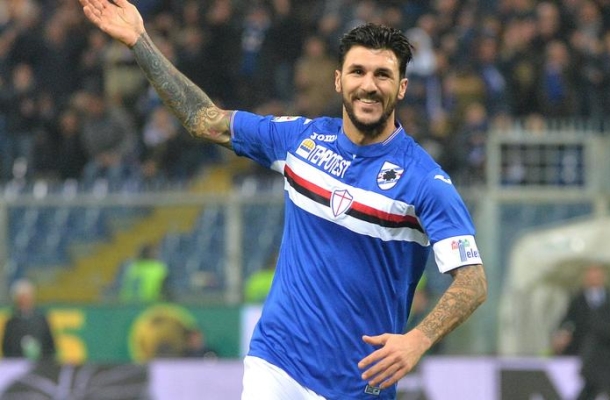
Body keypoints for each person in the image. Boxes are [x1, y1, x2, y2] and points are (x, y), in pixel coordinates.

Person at [79, 1, 488, 398]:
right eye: (357, 71)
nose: (368, 85)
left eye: (383, 75)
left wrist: (417, 339)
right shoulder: (301, 140)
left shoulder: (424, 180)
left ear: (401, 88)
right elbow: (204, 120)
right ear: (338, 80)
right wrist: (139, 41)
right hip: (277, 361)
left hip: (358, 382)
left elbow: (473, 281)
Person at [552, 263, 610, 400]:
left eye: (596, 274)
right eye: (590, 275)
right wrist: (563, 333)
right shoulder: (577, 299)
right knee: (590, 388)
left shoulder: (608, 297)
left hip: (605, 354)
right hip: (585, 352)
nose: (594, 278)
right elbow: (567, 320)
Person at [1, 279, 56, 360]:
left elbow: (50, 345)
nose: (25, 299)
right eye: (22, 296)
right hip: (18, 363)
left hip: (40, 363)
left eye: (27, 295)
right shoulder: (11, 322)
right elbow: (6, 347)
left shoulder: (42, 320)